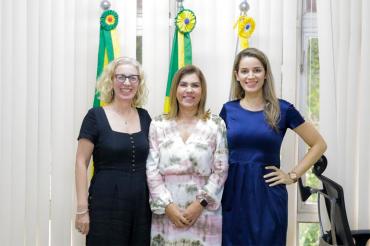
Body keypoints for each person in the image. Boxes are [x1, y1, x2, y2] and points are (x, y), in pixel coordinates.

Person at [220, 48, 327, 246]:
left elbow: (319, 144)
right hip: (233, 194)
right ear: (237, 76)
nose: (250, 76)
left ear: (266, 74)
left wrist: (292, 176)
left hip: (267, 194)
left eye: (257, 70)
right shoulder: (228, 110)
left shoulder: (283, 109)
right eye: (244, 71)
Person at [146, 65, 229, 245]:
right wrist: (167, 206)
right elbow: (151, 171)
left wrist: (200, 204)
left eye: (195, 85)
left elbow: (221, 171)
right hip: (166, 213)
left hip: (205, 213)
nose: (189, 90)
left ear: (202, 91)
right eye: (183, 85)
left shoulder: (215, 124)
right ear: (175, 89)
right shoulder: (158, 124)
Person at [74, 57, 152, 245]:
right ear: (111, 81)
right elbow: (81, 162)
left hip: (141, 206)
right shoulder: (95, 116)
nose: (127, 83)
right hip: (105, 204)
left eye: (133, 78)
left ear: (139, 83)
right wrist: (82, 210)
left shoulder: (145, 116)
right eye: (121, 77)